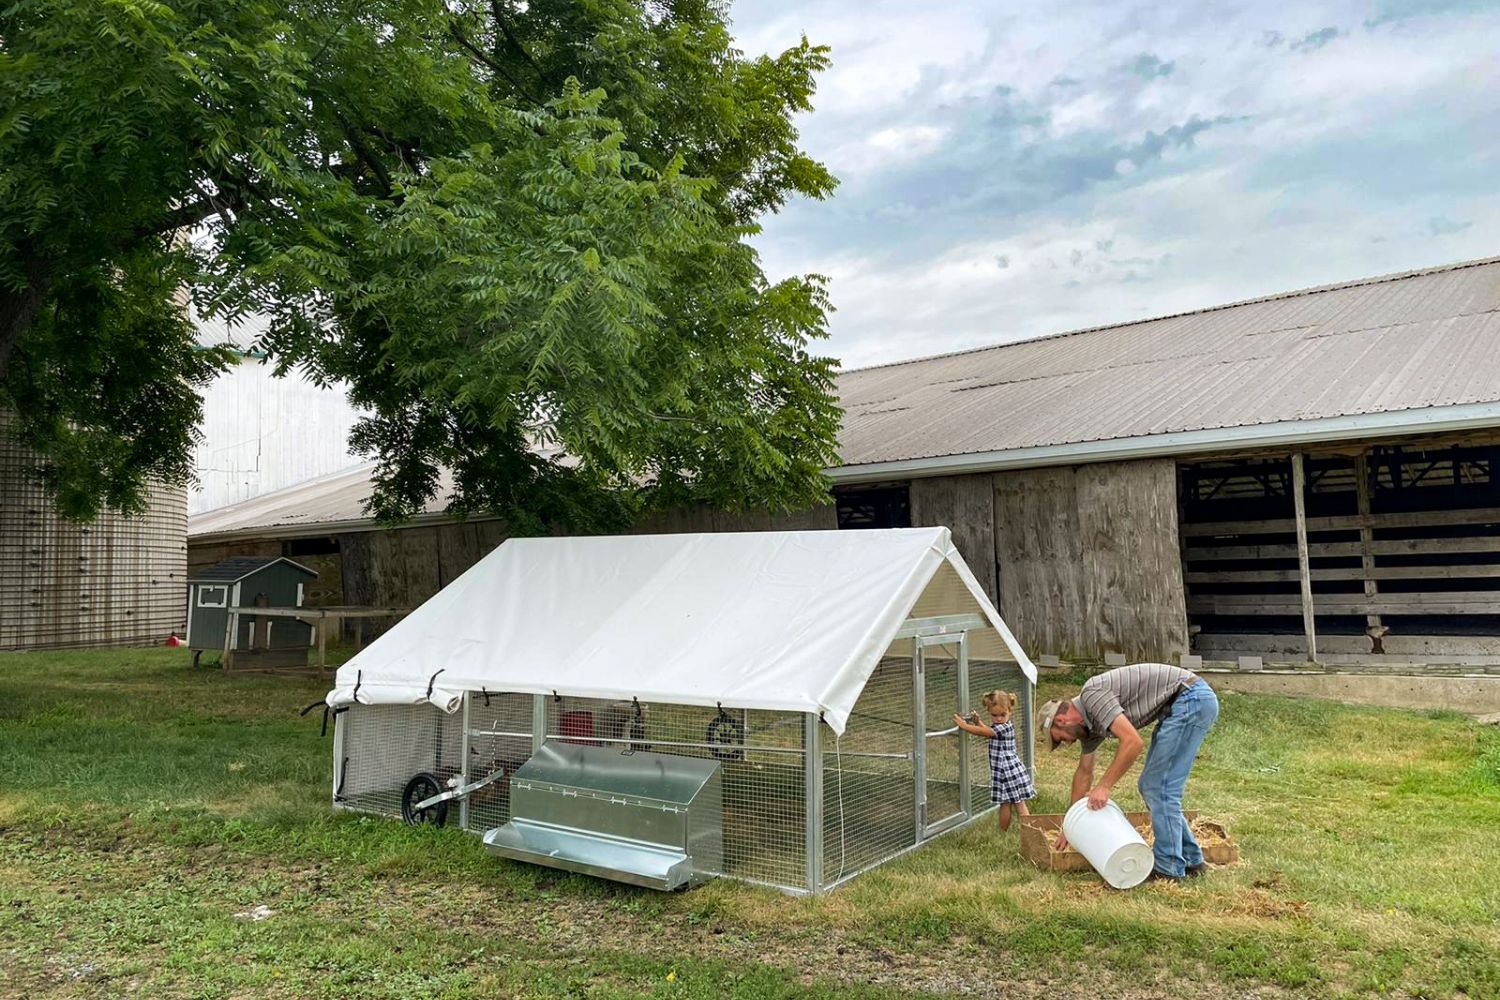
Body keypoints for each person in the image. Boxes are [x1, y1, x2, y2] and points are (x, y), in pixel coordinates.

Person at [1037, 663, 1219, 882]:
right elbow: (1084, 772)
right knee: (1152, 786)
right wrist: (1071, 824)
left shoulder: (1092, 695)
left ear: (1061, 720)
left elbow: (1132, 742)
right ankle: (1191, 860)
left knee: (1158, 787)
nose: (1066, 743)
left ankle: (1169, 868)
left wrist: (1104, 787)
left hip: (1190, 699)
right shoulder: (1090, 726)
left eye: (1059, 738)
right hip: (1182, 704)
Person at [954, 689, 1035, 831]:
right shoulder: (998, 727)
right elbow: (989, 732)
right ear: (989, 711)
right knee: (1004, 803)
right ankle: (1002, 831)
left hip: (1009, 771)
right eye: (994, 715)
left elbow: (984, 732)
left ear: (1010, 711)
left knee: (1019, 803)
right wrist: (978, 721)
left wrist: (965, 726)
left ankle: (1030, 832)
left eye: (1002, 715)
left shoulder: (1005, 727)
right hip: (1002, 772)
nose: (998, 718)